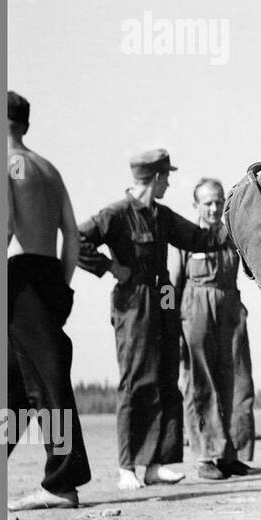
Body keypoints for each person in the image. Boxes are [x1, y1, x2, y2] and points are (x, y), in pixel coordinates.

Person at [79, 149, 230, 491]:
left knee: (166, 376)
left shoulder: (162, 216)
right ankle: (127, 466)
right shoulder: (116, 213)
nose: (169, 183)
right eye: (167, 177)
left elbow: (199, 237)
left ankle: (157, 464)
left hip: (162, 295)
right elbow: (78, 239)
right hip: (133, 299)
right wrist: (109, 267)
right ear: (157, 178)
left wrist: (236, 225)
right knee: (135, 381)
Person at [5, 90, 91, 510]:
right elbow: (72, 234)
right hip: (49, 274)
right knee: (15, 380)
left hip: (18, 277)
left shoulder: (2, 163)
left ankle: (61, 482)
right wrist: (60, 283)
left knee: (47, 380)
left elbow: (3, 228)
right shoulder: (48, 168)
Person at [171, 178, 261, 480]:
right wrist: (169, 322)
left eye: (217, 201)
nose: (213, 208)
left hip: (229, 306)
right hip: (194, 307)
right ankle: (207, 457)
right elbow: (170, 284)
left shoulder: (231, 233)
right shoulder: (185, 237)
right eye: (207, 202)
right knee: (201, 382)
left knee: (238, 380)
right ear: (195, 206)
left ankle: (233, 455)